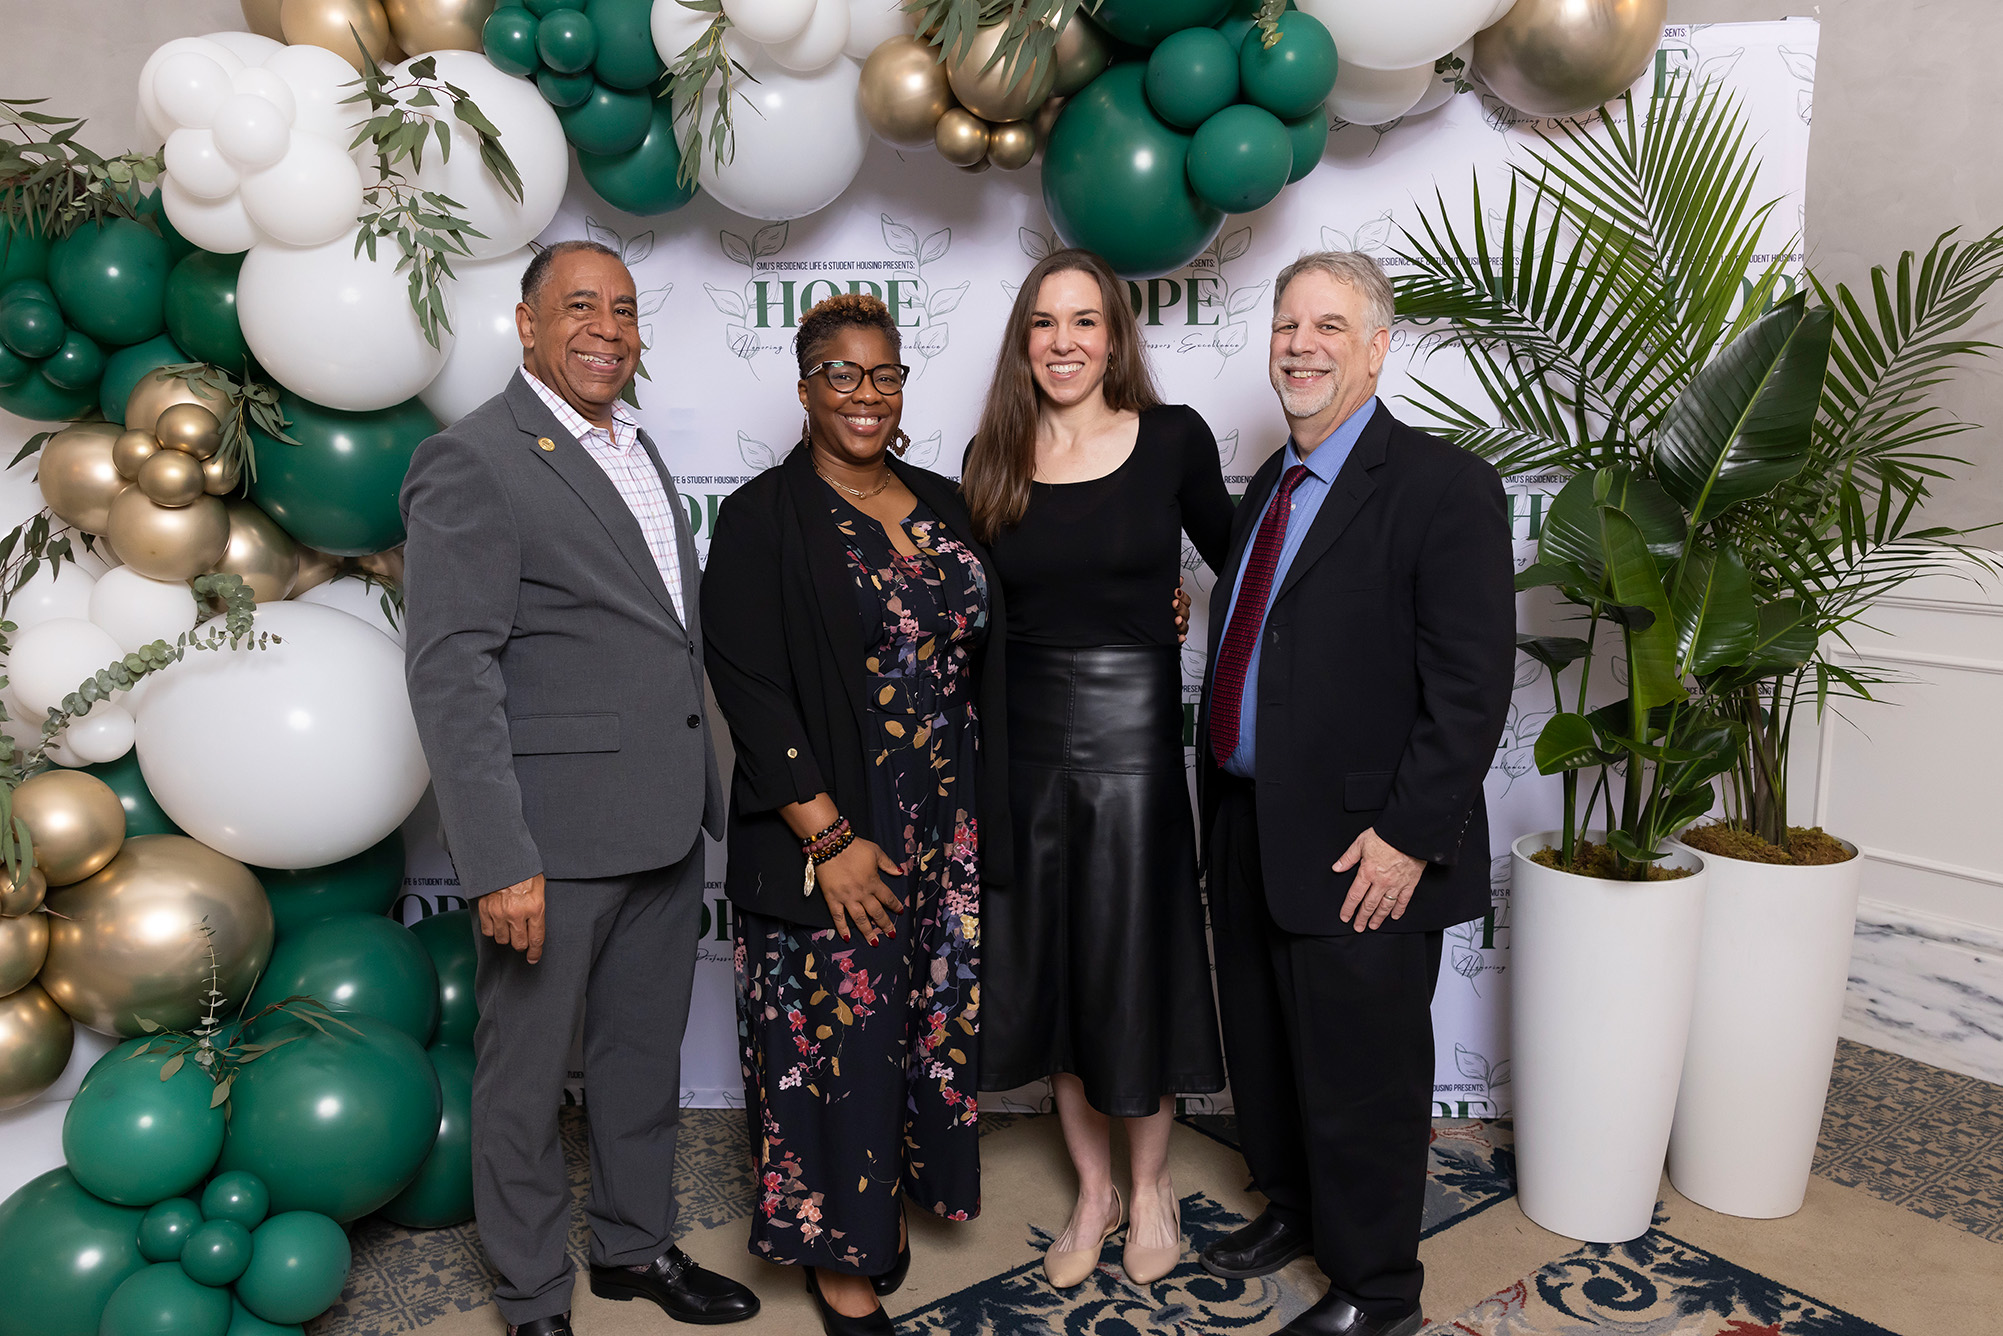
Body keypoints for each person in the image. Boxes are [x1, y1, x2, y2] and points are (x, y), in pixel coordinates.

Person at [401, 241, 761, 1336]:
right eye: (579, 307)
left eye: (624, 309)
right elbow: (450, 672)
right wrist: (498, 858)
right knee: (521, 1084)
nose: (607, 328)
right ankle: (531, 1297)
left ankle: (632, 1248)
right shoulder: (473, 460)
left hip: (663, 820)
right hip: (548, 842)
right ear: (526, 324)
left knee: (639, 1060)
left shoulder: (634, 449)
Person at [1194, 251, 1514, 1336]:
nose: (1301, 345)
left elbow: (1470, 687)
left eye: (1329, 326)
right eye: (1287, 325)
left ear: (1376, 350)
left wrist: (1406, 837)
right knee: (1268, 1050)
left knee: (1362, 1075)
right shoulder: (1268, 485)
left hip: (1363, 845)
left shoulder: (1441, 486)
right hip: (1248, 821)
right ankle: (1294, 1207)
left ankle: (1378, 1292)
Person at [701, 292, 1011, 1336]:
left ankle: (884, 1203)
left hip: (941, 822)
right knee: (835, 1036)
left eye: (884, 375)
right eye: (841, 374)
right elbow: (749, 688)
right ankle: (839, 1257)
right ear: (805, 389)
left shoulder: (943, 502)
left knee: (916, 1026)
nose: (865, 394)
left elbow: (999, 629)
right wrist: (828, 839)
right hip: (832, 829)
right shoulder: (762, 517)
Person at [965, 247, 1232, 1289]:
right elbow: (971, 616)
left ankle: (1151, 1186)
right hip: (1024, 747)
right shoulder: (991, 456)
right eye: (1044, 322)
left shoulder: (1172, 439)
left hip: (1133, 748)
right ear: (1022, 342)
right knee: (1059, 973)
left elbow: (1252, 566)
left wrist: (1175, 612)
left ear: (1115, 338)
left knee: (1131, 967)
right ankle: (1094, 1191)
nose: (1063, 342)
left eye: (1084, 321)